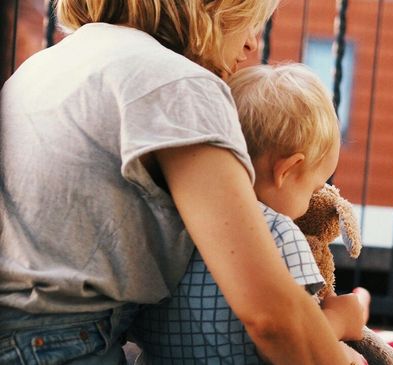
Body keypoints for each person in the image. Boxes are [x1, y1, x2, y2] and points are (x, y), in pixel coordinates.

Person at [0, 1, 354, 364]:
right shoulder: (176, 82)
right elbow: (271, 318)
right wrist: (342, 333)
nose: (252, 45)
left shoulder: (47, 64)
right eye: (249, 20)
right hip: (59, 345)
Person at [131, 63, 368, 364]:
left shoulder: (169, 220)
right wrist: (342, 320)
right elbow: (291, 339)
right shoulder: (279, 234)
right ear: (287, 170)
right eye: (313, 188)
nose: (312, 201)